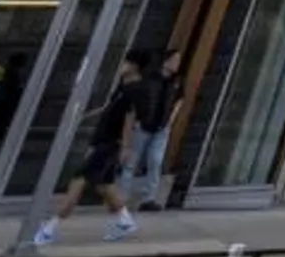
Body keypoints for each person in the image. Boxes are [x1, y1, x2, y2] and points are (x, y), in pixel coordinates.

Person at [30, 50, 152, 246]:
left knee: (79, 179)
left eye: (125, 63)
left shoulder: (137, 90)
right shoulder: (123, 87)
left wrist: (125, 147)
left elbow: (131, 119)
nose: (121, 66)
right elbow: (109, 107)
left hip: (111, 143)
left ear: (135, 66)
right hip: (103, 139)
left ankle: (49, 228)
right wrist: (82, 116)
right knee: (104, 185)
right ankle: (125, 221)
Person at [121, 46, 184, 208]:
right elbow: (137, 99)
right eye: (174, 60)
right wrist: (136, 118)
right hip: (143, 124)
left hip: (162, 128)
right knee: (132, 161)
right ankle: (121, 197)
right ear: (166, 60)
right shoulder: (149, 78)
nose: (177, 64)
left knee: (155, 161)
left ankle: (149, 198)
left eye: (178, 61)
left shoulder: (176, 81)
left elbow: (180, 99)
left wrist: (171, 119)